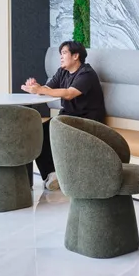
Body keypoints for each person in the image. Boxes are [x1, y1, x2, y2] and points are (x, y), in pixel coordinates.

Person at [21, 41, 106, 191]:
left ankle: (60, 176)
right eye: (60, 54)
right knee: (38, 132)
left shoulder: (87, 74)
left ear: (75, 56)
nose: (61, 57)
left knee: (49, 130)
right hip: (67, 118)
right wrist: (35, 87)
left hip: (87, 120)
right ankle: (52, 175)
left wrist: (41, 89)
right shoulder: (63, 72)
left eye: (64, 53)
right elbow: (48, 88)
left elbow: (69, 94)